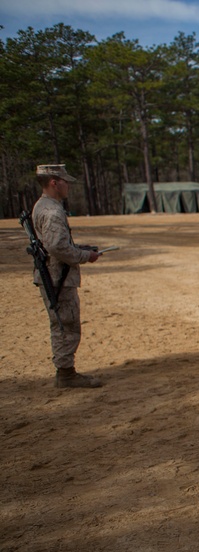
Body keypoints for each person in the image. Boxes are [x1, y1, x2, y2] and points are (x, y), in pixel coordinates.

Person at [30, 164, 102, 388]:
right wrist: (84, 255)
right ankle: (66, 373)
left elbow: (55, 243)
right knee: (66, 324)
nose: (68, 185)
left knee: (62, 323)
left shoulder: (43, 206)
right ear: (54, 182)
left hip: (52, 275)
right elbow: (57, 247)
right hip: (57, 278)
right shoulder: (52, 211)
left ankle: (65, 370)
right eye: (65, 181)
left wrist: (81, 247)